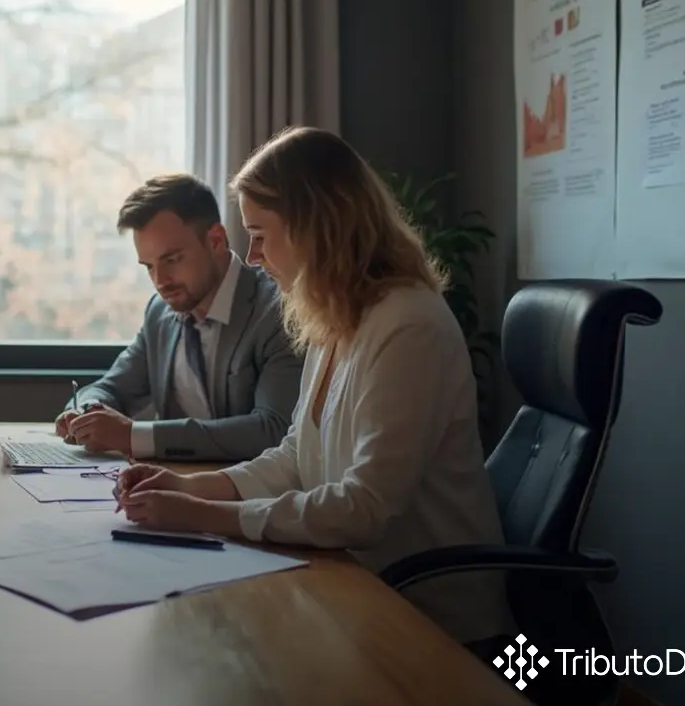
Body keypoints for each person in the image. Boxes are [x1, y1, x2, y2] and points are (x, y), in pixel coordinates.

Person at [113, 127, 514, 647]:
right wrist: (185, 487)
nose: (252, 256)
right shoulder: (337, 316)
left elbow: (362, 508)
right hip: (357, 585)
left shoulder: (408, 325)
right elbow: (296, 456)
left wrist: (206, 515)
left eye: (260, 233)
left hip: (428, 617)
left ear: (315, 226)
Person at [53, 173, 303, 462]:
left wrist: (133, 435)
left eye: (171, 259)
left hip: (251, 498)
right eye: (149, 266)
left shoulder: (279, 309)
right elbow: (110, 387)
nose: (160, 281)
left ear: (216, 241)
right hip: (173, 487)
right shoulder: (159, 313)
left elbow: (274, 430)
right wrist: (87, 411)